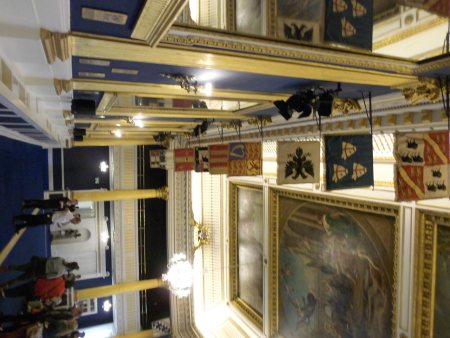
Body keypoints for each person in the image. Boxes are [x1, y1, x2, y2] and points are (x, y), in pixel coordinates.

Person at [0, 257, 79, 290]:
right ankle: (3, 286)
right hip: (38, 272)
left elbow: (49, 258)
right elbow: (48, 276)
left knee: (18, 267)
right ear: (70, 269)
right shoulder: (61, 272)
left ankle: (2, 269)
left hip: (37, 263)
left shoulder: (61, 259)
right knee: (19, 279)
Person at [13, 208, 81, 232]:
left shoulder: (68, 220)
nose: (74, 224)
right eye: (75, 223)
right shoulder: (70, 215)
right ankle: (17, 218)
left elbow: (60, 219)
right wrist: (65, 211)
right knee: (32, 218)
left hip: (50, 220)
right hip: (49, 217)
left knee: (34, 223)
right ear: (75, 219)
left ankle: (19, 226)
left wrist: (59, 224)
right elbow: (67, 208)